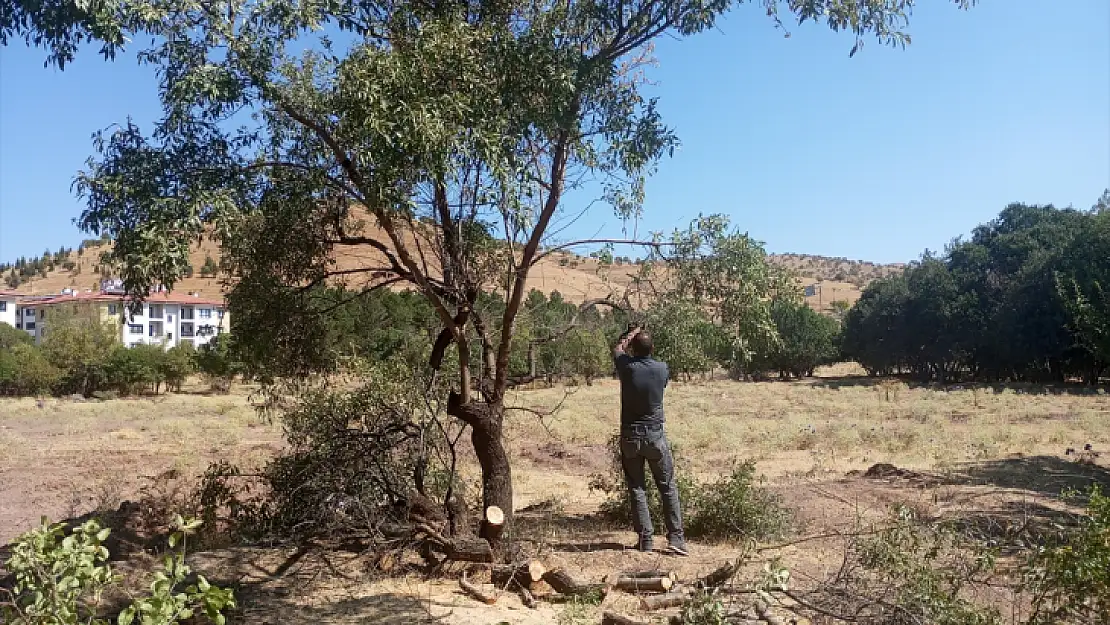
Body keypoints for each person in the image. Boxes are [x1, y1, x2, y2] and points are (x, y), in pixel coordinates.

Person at [612, 324, 688, 556]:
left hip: (630, 437)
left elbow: (617, 348)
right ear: (652, 348)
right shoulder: (662, 369)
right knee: (667, 487)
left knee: (637, 488)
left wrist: (632, 331)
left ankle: (645, 540)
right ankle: (676, 538)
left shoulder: (627, 368)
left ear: (633, 350)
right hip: (655, 436)